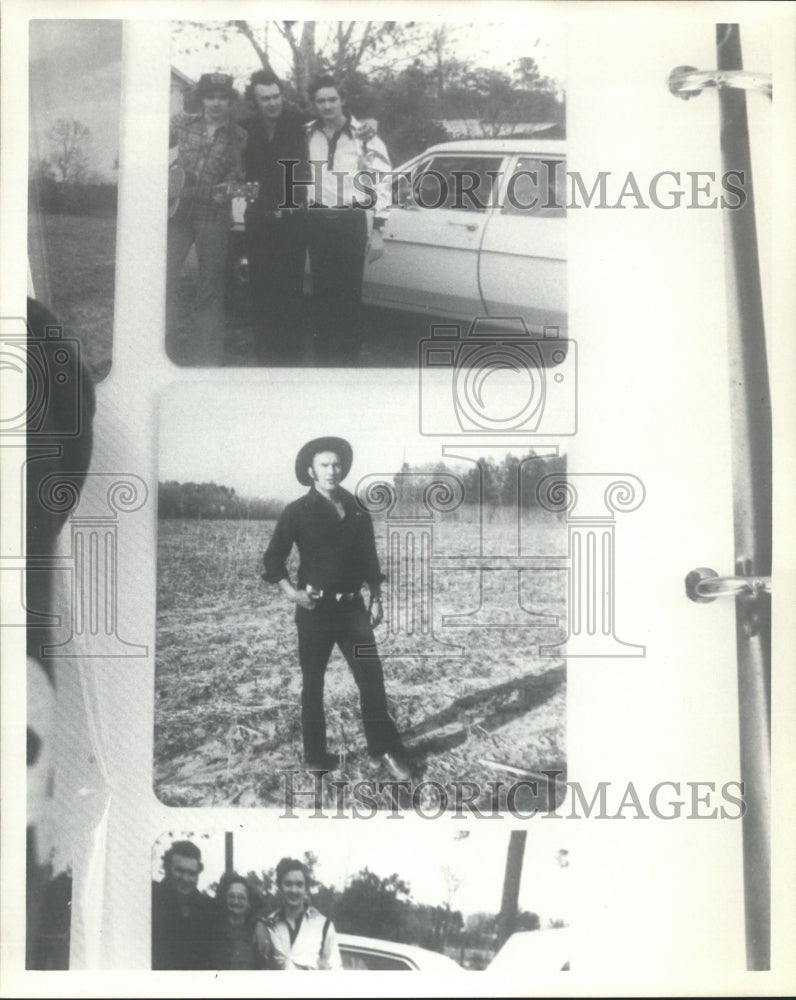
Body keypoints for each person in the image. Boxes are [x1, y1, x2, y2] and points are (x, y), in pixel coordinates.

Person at [262, 436, 411, 780]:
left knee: (371, 678)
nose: (332, 470)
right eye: (324, 465)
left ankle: (383, 749)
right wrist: (291, 593)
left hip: (353, 612)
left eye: (336, 464)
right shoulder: (296, 512)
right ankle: (315, 757)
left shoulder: (357, 508)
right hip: (315, 612)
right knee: (313, 683)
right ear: (311, 470)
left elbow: (368, 557)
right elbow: (273, 558)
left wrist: (376, 595)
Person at [304, 76, 391, 365]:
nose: (327, 106)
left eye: (332, 99)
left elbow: (381, 184)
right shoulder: (306, 133)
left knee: (348, 296)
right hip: (316, 220)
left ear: (342, 100)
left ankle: (347, 367)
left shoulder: (366, 137)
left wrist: (378, 230)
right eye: (320, 101)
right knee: (321, 294)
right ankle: (324, 363)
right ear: (313, 104)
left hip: (349, 222)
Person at [166, 72, 247, 365]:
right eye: (211, 97)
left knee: (209, 287)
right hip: (175, 214)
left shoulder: (239, 136)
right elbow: (150, 151)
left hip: (213, 214)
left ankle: (204, 359)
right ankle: (161, 349)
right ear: (201, 99)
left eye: (223, 98)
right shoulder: (183, 124)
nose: (216, 103)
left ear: (230, 101)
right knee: (163, 279)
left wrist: (228, 190)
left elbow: (238, 177)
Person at [242, 69, 310, 365]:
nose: (272, 103)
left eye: (276, 96)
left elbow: (338, 115)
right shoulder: (245, 128)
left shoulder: (298, 123)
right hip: (257, 221)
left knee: (290, 294)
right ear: (255, 101)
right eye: (265, 98)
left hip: (291, 221)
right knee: (260, 292)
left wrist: (369, 123)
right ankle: (264, 360)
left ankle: (290, 363)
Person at [255, 858, 340, 970]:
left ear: (305, 889)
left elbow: (336, 970)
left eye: (299, 885)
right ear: (280, 886)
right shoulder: (268, 925)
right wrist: (259, 925)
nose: (294, 890)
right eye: (288, 884)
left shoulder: (324, 925)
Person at [151, 840, 214, 970]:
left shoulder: (207, 907)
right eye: (179, 871)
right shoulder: (151, 897)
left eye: (192, 873)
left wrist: (259, 923)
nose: (185, 878)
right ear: (167, 868)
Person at [208, 872, 265, 970]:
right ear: (225, 899)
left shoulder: (256, 933)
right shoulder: (212, 931)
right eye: (231, 896)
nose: (236, 901)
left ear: (249, 902)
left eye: (241, 897)